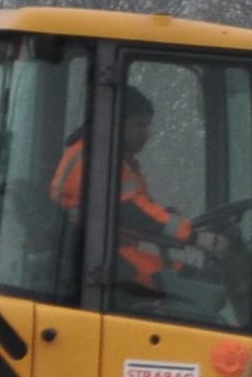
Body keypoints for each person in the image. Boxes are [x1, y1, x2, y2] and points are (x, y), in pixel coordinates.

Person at [50, 90, 214, 300]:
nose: (146, 134)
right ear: (118, 123)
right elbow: (130, 210)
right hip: (98, 258)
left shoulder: (111, 156)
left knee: (191, 279)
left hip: (108, 252)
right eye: (140, 126)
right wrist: (193, 236)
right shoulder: (95, 157)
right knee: (199, 287)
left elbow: (137, 206)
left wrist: (166, 216)